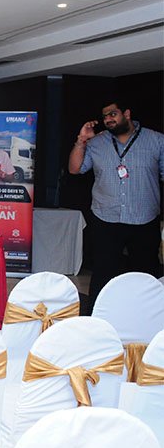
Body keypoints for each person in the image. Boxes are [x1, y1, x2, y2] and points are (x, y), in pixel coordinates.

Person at [69, 100, 164, 304]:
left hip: (144, 218)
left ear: (127, 114)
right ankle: (98, 314)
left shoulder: (156, 140)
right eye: (105, 116)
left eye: (113, 114)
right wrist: (81, 140)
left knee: (146, 274)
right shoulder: (97, 142)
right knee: (103, 272)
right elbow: (75, 169)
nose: (108, 119)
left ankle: (146, 315)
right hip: (106, 218)